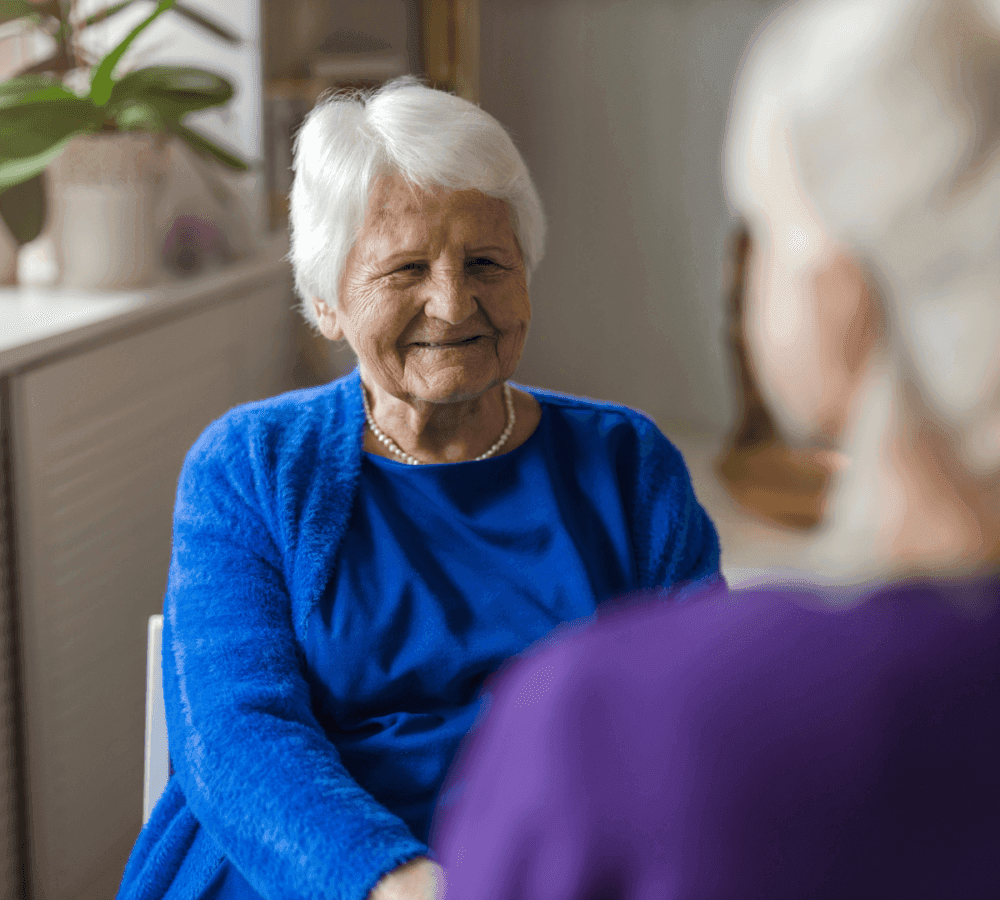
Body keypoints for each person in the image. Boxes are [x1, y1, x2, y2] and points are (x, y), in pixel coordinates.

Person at [430, 0, 1000, 896]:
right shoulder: (261, 466)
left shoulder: (611, 729)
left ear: (838, 296)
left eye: (761, 228)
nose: (452, 304)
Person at [115, 77, 722, 900]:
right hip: (309, 871)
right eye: (405, 269)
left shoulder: (626, 463)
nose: (453, 301)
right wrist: (399, 882)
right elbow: (234, 735)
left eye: (486, 263)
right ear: (328, 304)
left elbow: (707, 713)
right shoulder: (251, 467)